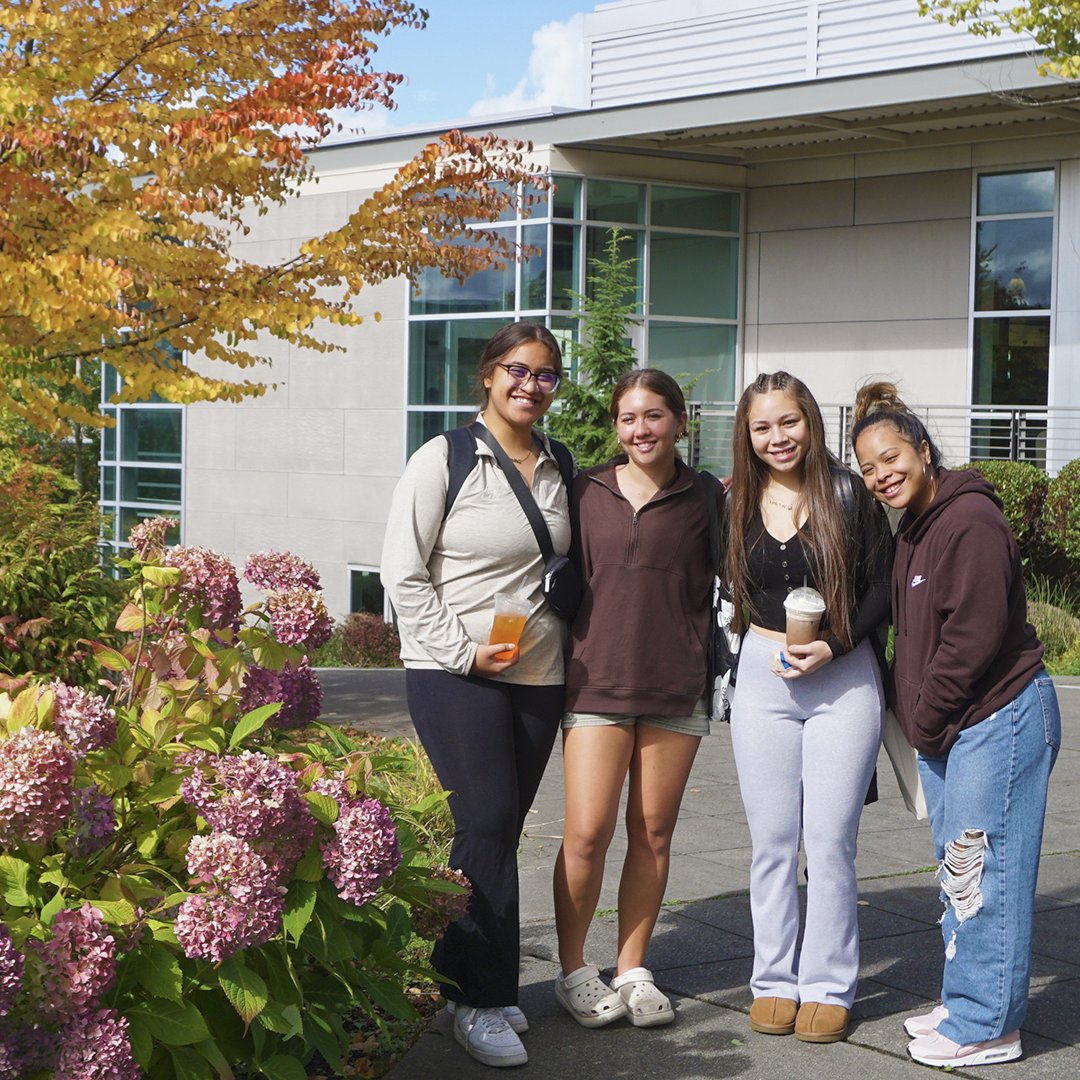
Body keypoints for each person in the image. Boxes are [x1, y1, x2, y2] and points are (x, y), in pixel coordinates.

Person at [380, 321, 571, 1069]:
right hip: (452, 671)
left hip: (539, 673)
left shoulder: (560, 463)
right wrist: (463, 650)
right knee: (486, 819)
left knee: (494, 832)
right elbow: (403, 571)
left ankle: (470, 983)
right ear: (488, 377)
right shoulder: (445, 458)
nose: (530, 384)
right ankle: (480, 999)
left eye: (546, 373)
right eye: (516, 370)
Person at [853, 383, 1060, 1069]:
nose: (883, 475)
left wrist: (927, 718)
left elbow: (972, 637)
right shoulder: (916, 525)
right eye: (869, 468)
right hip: (956, 728)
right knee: (959, 875)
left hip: (994, 719)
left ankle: (988, 1025)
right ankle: (969, 998)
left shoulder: (969, 521)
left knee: (984, 875)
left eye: (891, 457)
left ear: (923, 448)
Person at [726, 371, 892, 1044]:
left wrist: (837, 643)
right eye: (762, 427)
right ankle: (773, 979)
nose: (777, 438)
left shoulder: (849, 495)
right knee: (771, 843)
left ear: (810, 422)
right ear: (748, 434)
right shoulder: (733, 501)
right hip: (763, 682)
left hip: (842, 680)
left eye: (788, 422)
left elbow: (884, 586)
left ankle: (827, 985)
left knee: (828, 843)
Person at [552, 369, 721, 1030]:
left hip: (675, 686)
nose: (640, 430)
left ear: (680, 422)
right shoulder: (584, 490)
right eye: (628, 418)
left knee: (651, 832)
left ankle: (632, 966)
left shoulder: (706, 497)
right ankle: (572, 970)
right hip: (595, 682)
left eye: (653, 416)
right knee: (587, 833)